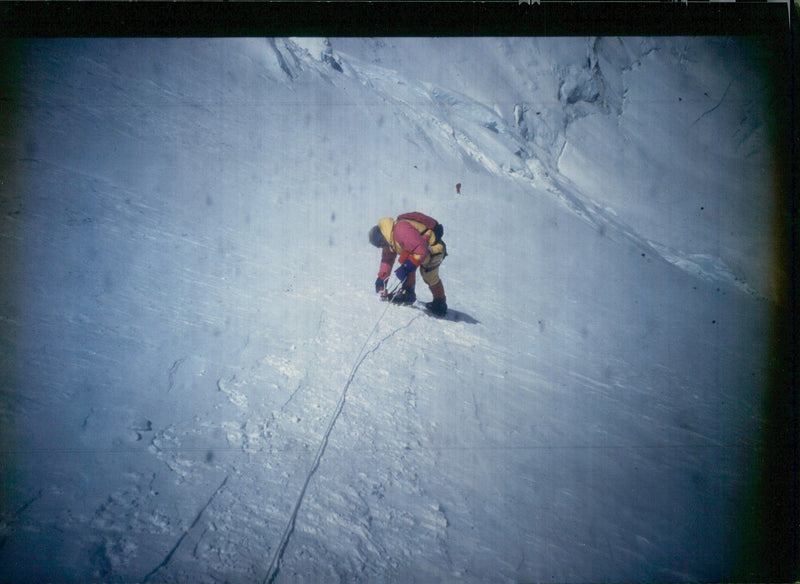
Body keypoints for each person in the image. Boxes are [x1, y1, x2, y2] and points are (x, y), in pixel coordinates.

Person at [368, 212, 447, 316]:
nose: (382, 247)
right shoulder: (389, 240)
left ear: (382, 236)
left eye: (381, 243)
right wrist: (382, 279)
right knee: (408, 260)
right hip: (421, 251)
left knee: (428, 275)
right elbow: (387, 260)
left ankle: (439, 303)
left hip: (434, 249)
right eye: (379, 246)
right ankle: (408, 293)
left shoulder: (400, 230)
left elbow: (421, 250)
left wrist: (405, 268)